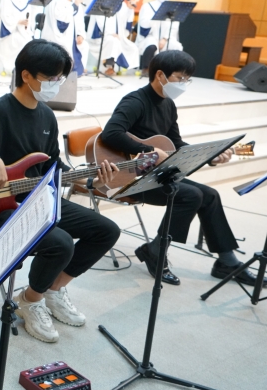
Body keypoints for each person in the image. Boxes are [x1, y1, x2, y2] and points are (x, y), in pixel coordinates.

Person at [0, 40, 120, 343]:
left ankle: (52, 290)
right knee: (60, 243)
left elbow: (53, 166)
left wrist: (91, 178)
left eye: (60, 78)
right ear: (26, 75)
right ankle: (29, 301)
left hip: (37, 199)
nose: (56, 84)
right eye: (51, 78)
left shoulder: (47, 116)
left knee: (106, 230)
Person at [100, 50, 264, 287]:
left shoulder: (168, 105)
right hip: (130, 177)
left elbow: (175, 144)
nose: (184, 83)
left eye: (188, 79)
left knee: (210, 195)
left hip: (157, 173)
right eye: (180, 77)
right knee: (190, 195)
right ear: (160, 75)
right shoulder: (135, 101)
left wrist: (210, 157)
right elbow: (111, 133)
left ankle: (226, 262)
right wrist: (150, 151)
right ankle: (156, 251)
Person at [85, 0, 138, 75]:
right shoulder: (101, 1)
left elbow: (124, 19)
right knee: (113, 41)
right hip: (102, 34)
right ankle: (109, 67)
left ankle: (117, 67)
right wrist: (110, 33)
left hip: (118, 35)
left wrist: (130, 9)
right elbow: (100, 20)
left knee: (133, 47)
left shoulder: (121, 3)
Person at [41, 0, 86, 76]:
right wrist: (75, 5)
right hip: (59, 36)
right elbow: (62, 20)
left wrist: (80, 34)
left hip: (72, 36)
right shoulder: (57, 2)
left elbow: (80, 22)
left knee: (84, 45)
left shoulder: (75, 4)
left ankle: (76, 72)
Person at [136, 0, 182, 74]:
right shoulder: (148, 6)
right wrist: (156, 16)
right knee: (151, 45)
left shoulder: (173, 7)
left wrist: (165, 38)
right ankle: (146, 69)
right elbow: (143, 24)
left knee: (176, 46)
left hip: (166, 37)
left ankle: (173, 71)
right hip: (150, 35)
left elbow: (174, 26)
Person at [0, 0, 34, 75]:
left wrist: (26, 25)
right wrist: (18, 21)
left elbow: (29, 18)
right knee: (18, 41)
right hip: (10, 31)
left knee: (29, 43)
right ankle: (11, 70)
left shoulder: (26, 0)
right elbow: (5, 17)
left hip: (23, 31)